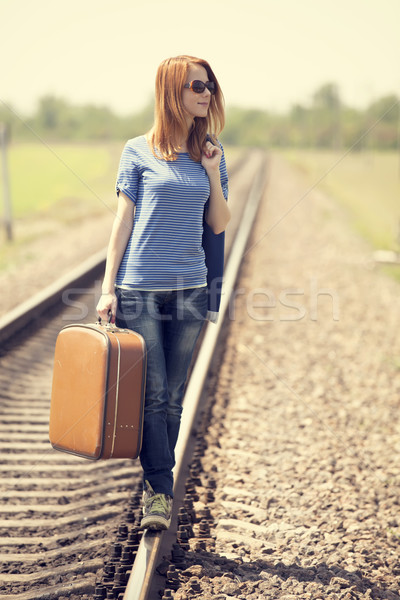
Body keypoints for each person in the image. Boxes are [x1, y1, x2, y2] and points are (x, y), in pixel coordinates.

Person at [96, 55, 230, 530]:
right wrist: (107, 289)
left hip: (191, 288)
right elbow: (123, 222)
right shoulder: (136, 151)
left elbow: (217, 223)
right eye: (197, 85)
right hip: (139, 290)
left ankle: (156, 474)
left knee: (173, 396)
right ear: (172, 90)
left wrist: (212, 172)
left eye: (210, 86)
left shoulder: (211, 153)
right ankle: (159, 488)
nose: (206, 93)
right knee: (153, 395)